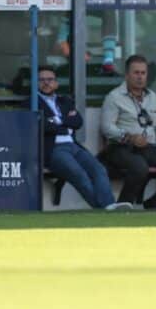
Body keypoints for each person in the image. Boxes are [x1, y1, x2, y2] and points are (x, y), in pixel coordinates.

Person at [100, 54, 156, 208]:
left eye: (143, 73)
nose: (140, 77)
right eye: (136, 73)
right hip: (121, 147)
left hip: (148, 146)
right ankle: (122, 207)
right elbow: (106, 127)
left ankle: (154, 207)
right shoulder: (114, 97)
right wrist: (128, 136)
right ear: (127, 75)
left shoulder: (152, 97)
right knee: (139, 167)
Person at [35, 65, 130, 210]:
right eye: (42, 80)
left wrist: (55, 120)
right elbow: (42, 126)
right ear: (36, 83)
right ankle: (106, 209)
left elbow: (77, 122)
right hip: (54, 150)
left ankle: (108, 206)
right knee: (79, 174)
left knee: (99, 170)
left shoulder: (64, 100)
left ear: (56, 83)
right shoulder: (32, 102)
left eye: (50, 79)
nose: (46, 83)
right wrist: (64, 120)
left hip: (74, 146)